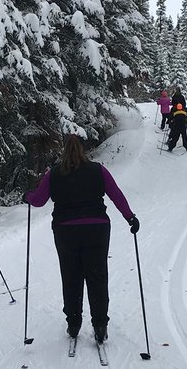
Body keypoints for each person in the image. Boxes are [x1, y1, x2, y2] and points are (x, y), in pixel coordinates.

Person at [24, 134, 139, 344]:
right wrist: (130, 217)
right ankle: (100, 325)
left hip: (65, 230)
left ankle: (74, 323)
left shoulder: (54, 173)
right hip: (97, 228)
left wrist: (27, 196)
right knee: (97, 276)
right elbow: (116, 194)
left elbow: (39, 201)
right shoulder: (98, 170)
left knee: (71, 276)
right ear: (83, 150)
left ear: (63, 150)